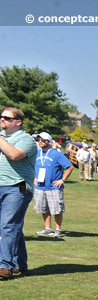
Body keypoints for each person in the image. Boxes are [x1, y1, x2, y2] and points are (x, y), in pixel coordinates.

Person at [0, 108, 37, 279]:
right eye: (1, 116)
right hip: (1, 185)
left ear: (18, 122)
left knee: (9, 225)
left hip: (17, 187)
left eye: (7, 118)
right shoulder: (3, 137)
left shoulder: (26, 139)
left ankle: (4, 266)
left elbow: (14, 155)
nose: (2, 120)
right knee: (13, 226)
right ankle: (20, 263)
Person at [32, 132, 73, 239]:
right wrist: (34, 177)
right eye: (38, 140)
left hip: (53, 187)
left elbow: (69, 166)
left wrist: (62, 180)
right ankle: (47, 228)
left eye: (42, 140)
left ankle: (58, 230)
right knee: (43, 208)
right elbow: (33, 166)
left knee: (56, 209)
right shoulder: (37, 153)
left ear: (49, 142)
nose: (40, 142)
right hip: (40, 186)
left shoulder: (56, 154)